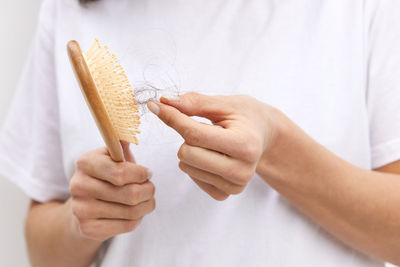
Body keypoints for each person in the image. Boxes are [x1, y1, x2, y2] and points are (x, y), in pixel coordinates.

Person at [0, 0, 399, 266]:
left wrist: (275, 146)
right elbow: (41, 249)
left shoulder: (357, 9)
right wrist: (80, 220)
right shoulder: (71, 8)